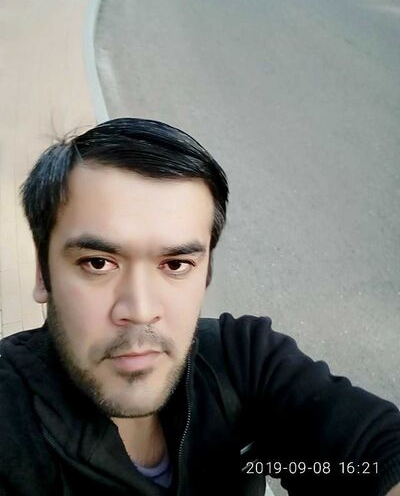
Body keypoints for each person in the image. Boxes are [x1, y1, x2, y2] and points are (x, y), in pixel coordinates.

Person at [0, 118, 399, 496]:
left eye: (175, 265)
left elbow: (372, 455)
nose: (140, 309)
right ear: (43, 272)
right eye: (98, 263)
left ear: (205, 273)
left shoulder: (242, 359)